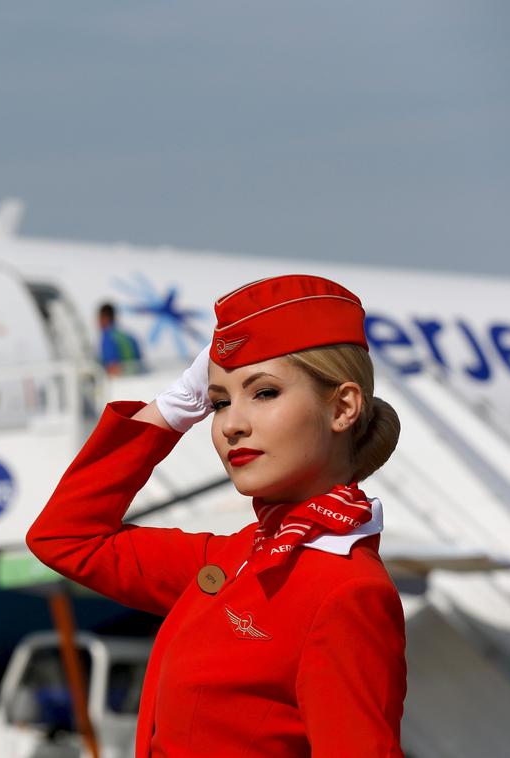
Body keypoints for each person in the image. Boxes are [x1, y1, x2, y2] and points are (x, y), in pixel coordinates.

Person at [28, 275, 405, 756]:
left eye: (264, 393)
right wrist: (174, 407)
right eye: (219, 401)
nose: (231, 424)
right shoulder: (225, 561)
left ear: (344, 407)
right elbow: (65, 538)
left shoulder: (348, 594)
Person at [98, 303, 145, 376]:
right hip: (138, 379)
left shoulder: (108, 338)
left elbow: (112, 368)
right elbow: (140, 363)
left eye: (99, 318)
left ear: (105, 318)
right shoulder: (129, 337)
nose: (98, 322)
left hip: (122, 382)